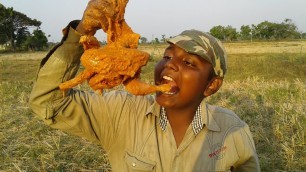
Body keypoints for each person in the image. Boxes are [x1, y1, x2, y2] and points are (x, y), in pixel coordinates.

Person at [29, 0, 260, 171]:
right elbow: (47, 102)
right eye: (167, 57)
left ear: (211, 85)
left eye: (188, 62)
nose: (169, 66)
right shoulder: (120, 113)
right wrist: (82, 31)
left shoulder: (232, 131)